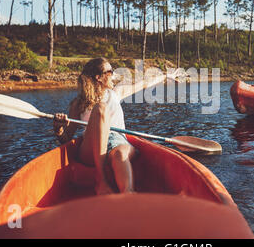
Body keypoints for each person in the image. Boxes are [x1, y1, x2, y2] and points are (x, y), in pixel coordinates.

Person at [53, 57, 180, 195]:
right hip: (91, 148)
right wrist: (59, 128)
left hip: (117, 141)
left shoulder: (116, 93)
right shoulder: (78, 104)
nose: (114, 75)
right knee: (101, 108)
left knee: (119, 153)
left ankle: (128, 193)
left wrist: (167, 76)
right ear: (99, 77)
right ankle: (101, 181)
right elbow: (66, 138)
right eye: (110, 71)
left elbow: (144, 83)